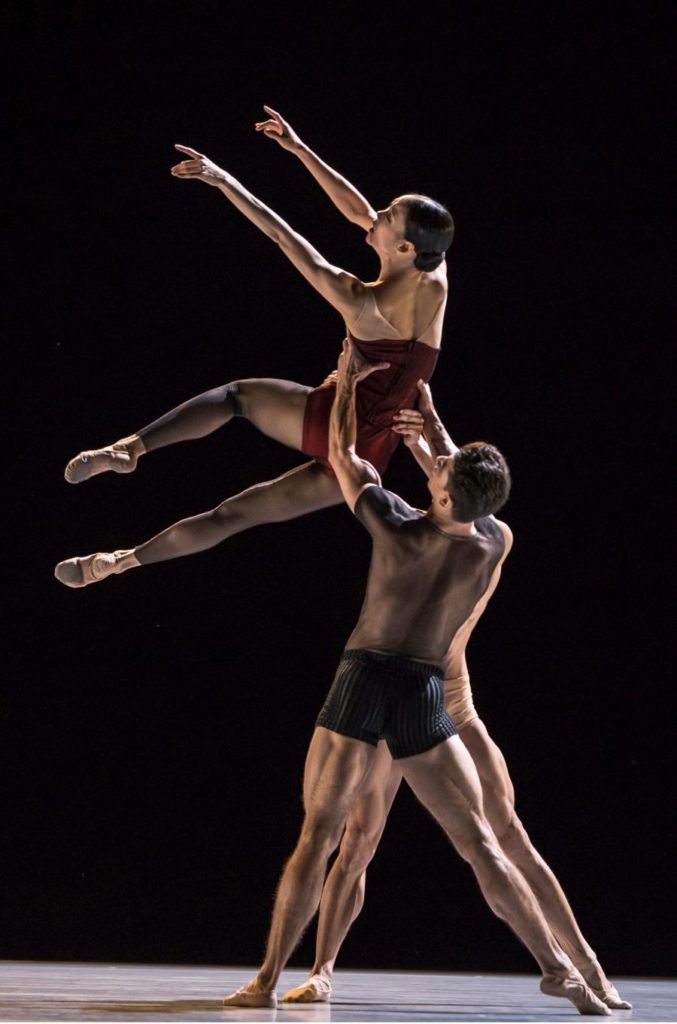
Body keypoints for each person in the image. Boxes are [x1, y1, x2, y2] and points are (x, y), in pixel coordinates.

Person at [219, 339, 610, 1015]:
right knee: (482, 843)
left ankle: (262, 981)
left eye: (436, 473)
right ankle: (561, 972)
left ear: (441, 491)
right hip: (423, 692)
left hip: (365, 683)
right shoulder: (494, 541)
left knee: (319, 836)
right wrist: (432, 427)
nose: (430, 472)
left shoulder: (395, 525)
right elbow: (464, 487)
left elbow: (345, 459)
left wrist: (345, 386)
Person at [54, 107, 454, 589]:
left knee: (237, 397)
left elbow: (283, 236)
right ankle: (112, 564)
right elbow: (358, 212)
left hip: (334, 418)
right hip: (369, 453)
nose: (377, 214)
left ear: (406, 247)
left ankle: (129, 450)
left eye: (388, 216)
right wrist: (298, 148)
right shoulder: (435, 273)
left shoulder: (360, 302)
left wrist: (223, 179)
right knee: (233, 516)